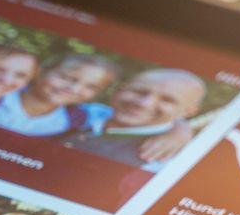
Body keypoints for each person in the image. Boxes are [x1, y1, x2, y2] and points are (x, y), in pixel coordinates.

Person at [62, 67, 207, 168]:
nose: (144, 104)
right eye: (139, 91)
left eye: (167, 100)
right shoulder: (88, 112)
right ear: (119, 90)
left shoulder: (162, 162)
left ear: (188, 112)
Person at [0, 52, 117, 137]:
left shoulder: (79, 120)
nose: (74, 89)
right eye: (67, 78)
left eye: (91, 87)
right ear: (41, 72)